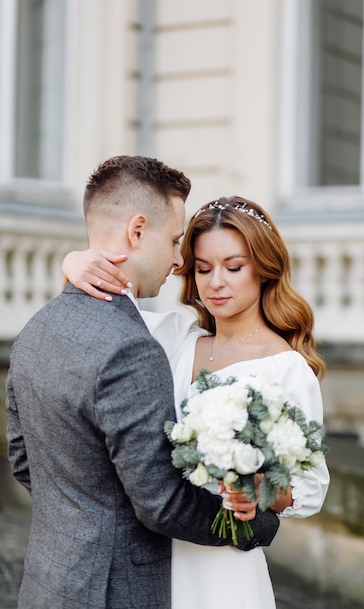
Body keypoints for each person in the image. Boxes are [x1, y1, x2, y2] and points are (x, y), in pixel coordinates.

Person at [6, 159, 280, 609]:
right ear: (137, 231)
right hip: (114, 590)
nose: (178, 261)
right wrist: (260, 527)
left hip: (48, 583)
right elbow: (162, 506)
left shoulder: (38, 328)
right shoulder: (130, 349)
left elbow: (23, 459)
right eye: (174, 240)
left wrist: (83, 516)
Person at [63, 195, 330, 609]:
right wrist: (75, 263)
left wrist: (253, 485)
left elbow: (307, 490)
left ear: (264, 269)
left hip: (220, 561)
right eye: (203, 269)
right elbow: (99, 315)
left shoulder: (286, 369)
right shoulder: (177, 335)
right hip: (150, 554)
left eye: (233, 267)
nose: (215, 282)